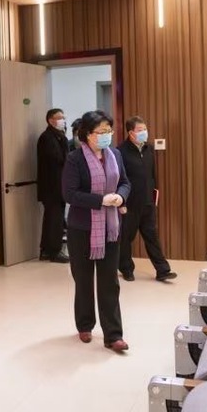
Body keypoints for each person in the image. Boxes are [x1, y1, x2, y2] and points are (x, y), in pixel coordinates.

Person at [63, 110, 131, 352]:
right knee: (83, 280)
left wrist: (121, 196)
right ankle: (85, 325)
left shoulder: (115, 155)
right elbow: (69, 194)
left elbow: (125, 182)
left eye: (108, 131)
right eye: (101, 132)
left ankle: (113, 335)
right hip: (82, 229)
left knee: (109, 282)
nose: (106, 136)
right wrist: (100, 200)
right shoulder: (75, 159)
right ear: (87, 134)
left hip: (111, 228)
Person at [117, 116, 176, 282]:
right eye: (140, 130)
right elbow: (119, 179)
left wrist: (153, 194)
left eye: (145, 129)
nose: (144, 132)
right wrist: (121, 201)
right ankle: (126, 269)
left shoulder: (149, 148)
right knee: (126, 238)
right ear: (131, 133)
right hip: (129, 203)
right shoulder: (120, 151)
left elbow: (152, 175)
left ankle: (163, 270)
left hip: (147, 201)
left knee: (152, 236)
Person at [37, 108, 69, 263]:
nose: (63, 120)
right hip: (52, 187)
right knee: (54, 220)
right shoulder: (47, 138)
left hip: (58, 186)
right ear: (51, 120)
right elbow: (59, 159)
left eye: (63, 117)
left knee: (52, 219)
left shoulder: (58, 136)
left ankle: (46, 250)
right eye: (59, 117)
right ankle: (54, 251)